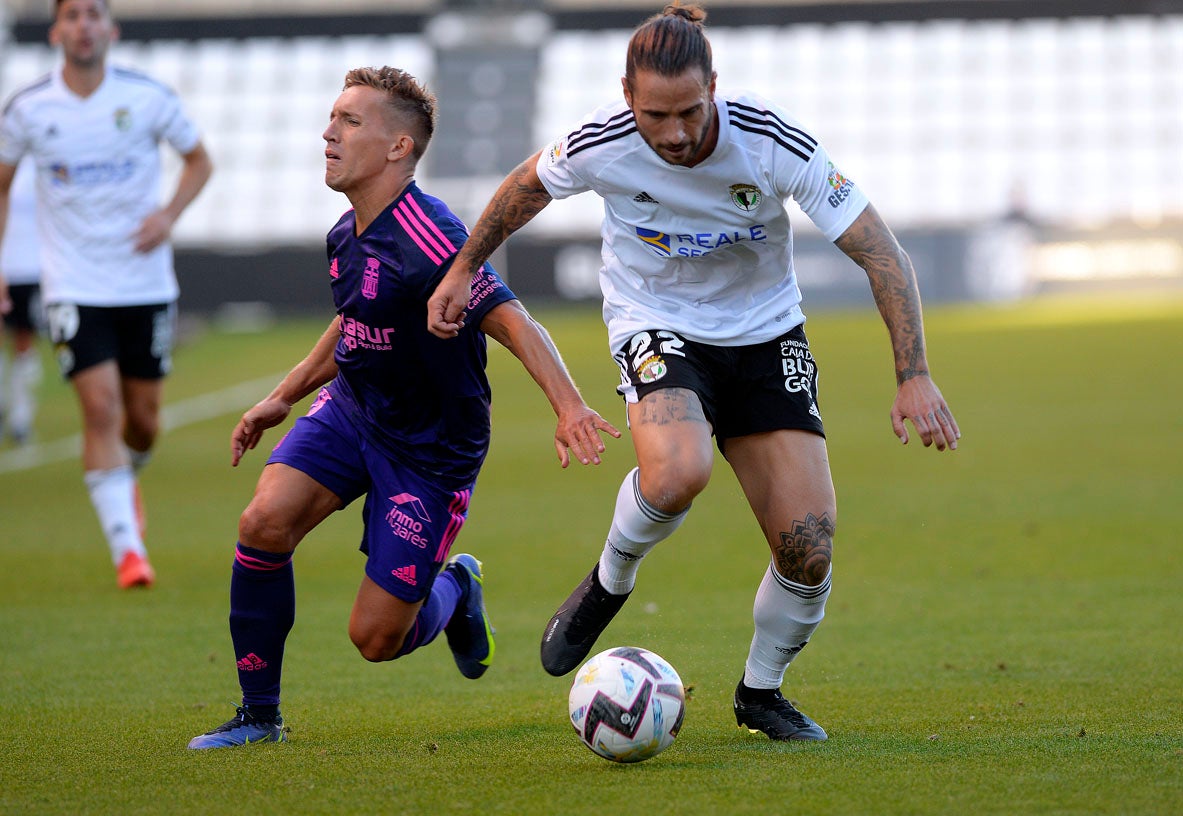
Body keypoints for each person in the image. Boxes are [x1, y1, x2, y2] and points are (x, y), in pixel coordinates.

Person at [428, 2, 961, 742]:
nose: (674, 133)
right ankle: (610, 580)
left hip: (766, 334)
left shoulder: (771, 140)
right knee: (679, 472)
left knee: (807, 548)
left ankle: (759, 693)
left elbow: (879, 251)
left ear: (715, 84)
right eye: (655, 115)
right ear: (626, 96)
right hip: (656, 322)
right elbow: (523, 190)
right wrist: (461, 270)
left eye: (689, 111)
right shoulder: (599, 141)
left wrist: (914, 372)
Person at [187, 66, 619, 750]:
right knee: (263, 522)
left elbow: (511, 320)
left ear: (397, 147)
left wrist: (567, 405)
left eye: (349, 122)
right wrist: (282, 396)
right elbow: (354, 323)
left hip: (429, 452)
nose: (328, 133)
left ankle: (455, 591)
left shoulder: (429, 236)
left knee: (376, 639)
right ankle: (258, 715)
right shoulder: (345, 234)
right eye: (331, 118)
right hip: (353, 412)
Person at [0, 0, 213, 588]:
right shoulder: (27, 109)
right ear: (56, 31)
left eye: (94, 14)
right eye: (72, 15)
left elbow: (199, 162)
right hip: (71, 284)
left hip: (144, 284)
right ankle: (128, 551)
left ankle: (126, 479)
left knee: (142, 422)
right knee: (99, 410)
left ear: (110, 30)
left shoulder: (147, 97)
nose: (83, 25)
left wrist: (169, 215)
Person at [0, 158, 42, 445]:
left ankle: (21, 418)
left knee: (24, 343)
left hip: (31, 270)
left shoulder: (39, 163)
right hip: (3, 269)